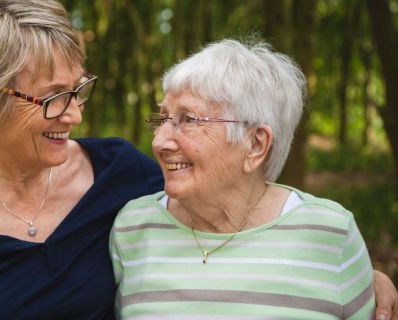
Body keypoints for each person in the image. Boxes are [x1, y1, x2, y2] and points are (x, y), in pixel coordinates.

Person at [0, 0, 397, 318]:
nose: (73, 114)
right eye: (52, 97)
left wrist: (352, 276)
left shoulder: (123, 176)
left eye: (78, 90)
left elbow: (226, 206)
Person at [111, 38, 397, 319]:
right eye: (162, 119)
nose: (160, 142)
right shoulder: (132, 228)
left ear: (256, 145)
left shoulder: (331, 235)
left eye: (188, 120)